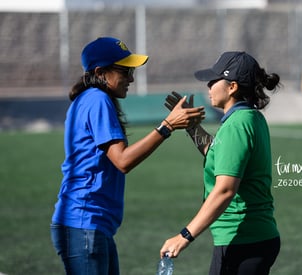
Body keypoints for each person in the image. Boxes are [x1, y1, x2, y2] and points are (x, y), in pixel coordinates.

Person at [50, 36, 205, 275]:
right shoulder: (97, 99)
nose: (131, 78)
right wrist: (167, 126)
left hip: (90, 224)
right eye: (125, 71)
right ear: (101, 72)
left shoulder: (92, 99)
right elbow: (122, 160)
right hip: (84, 223)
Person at [160, 51, 281, 275]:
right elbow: (218, 152)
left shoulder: (237, 125)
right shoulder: (248, 118)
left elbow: (225, 190)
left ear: (232, 87)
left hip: (243, 240)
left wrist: (184, 236)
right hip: (253, 237)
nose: (208, 85)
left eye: (214, 80)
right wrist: (192, 127)